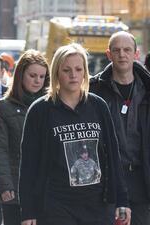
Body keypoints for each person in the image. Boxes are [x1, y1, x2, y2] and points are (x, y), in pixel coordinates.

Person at [19, 43, 131, 225]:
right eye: (66, 70)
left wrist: (122, 200)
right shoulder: (40, 110)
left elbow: (112, 155)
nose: (73, 75)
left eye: (79, 69)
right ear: (56, 73)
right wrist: (28, 211)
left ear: (85, 73)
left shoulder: (98, 106)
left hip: (98, 206)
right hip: (55, 206)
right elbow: (28, 165)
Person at [90, 31, 150, 225]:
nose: (122, 54)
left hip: (143, 179)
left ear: (136, 54)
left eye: (127, 50)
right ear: (108, 54)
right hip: (108, 179)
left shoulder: (147, 89)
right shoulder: (94, 90)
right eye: (116, 50)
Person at [0, 49, 49, 225]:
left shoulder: (52, 106)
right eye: (33, 75)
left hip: (47, 188)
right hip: (15, 189)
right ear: (21, 74)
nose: (37, 81)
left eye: (42, 76)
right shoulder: (3, 107)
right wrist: (5, 185)